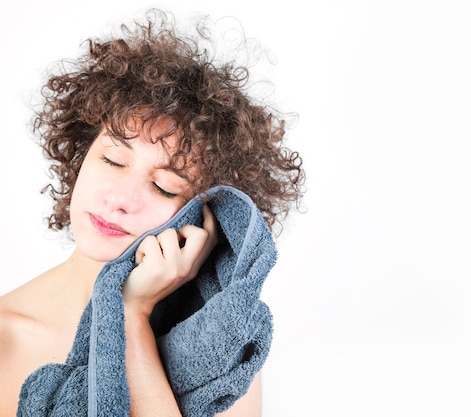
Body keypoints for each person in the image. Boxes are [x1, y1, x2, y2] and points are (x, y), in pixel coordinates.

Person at [0, 9, 304, 417]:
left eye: (164, 186)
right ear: (80, 155)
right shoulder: (6, 336)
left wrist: (131, 315)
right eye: (112, 160)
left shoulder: (216, 352)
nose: (120, 198)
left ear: (200, 221)